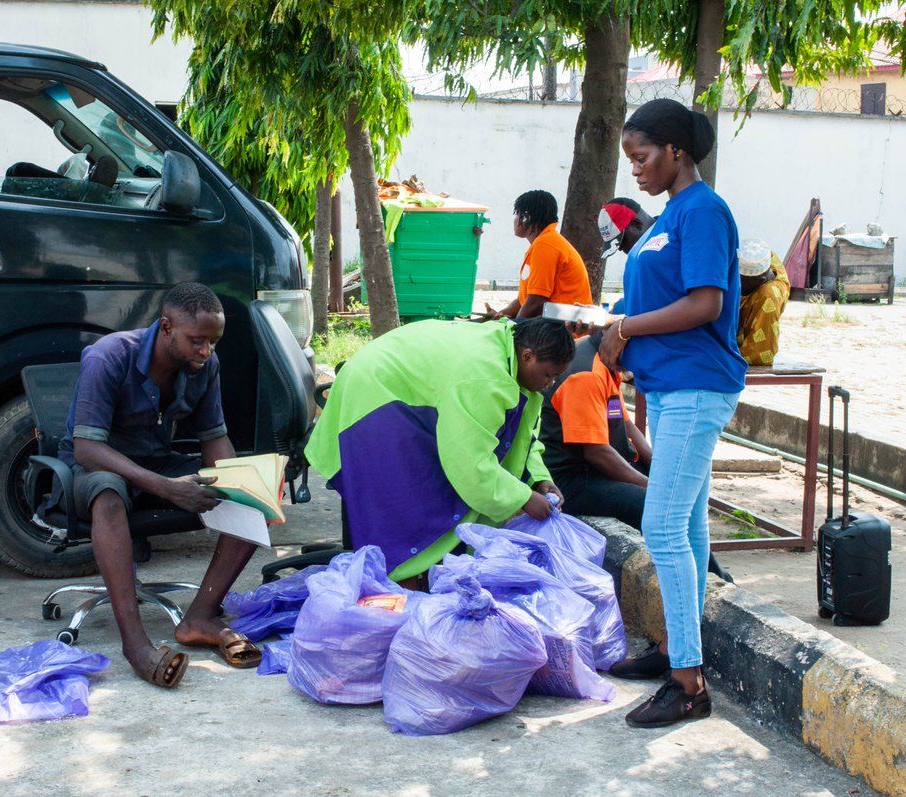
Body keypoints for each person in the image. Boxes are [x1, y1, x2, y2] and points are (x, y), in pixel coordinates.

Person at [595, 99, 746, 728]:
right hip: (668, 387)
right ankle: (673, 646)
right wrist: (612, 322)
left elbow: (706, 302)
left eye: (642, 156)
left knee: (661, 527)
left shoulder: (704, 210)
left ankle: (689, 684)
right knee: (687, 527)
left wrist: (627, 327)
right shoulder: (670, 215)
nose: (635, 169)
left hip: (696, 386)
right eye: (630, 159)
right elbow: (659, 294)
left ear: (676, 150)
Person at [60, 282, 262, 687]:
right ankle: (136, 646)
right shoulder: (109, 356)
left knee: (252, 498)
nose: (206, 351)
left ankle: (200, 617)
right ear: (167, 327)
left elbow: (214, 438)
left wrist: (240, 484)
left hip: (156, 463)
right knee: (108, 496)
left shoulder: (205, 365)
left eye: (213, 343)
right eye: (197, 341)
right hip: (95, 469)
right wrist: (167, 487)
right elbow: (87, 449)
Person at [304, 317, 575, 584]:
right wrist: (522, 498)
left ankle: (405, 570)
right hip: (374, 394)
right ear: (527, 356)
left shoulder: (509, 348)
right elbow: (469, 463)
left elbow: (522, 436)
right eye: (548, 375)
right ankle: (396, 578)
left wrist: (539, 478)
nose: (550, 383)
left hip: (394, 382)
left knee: (436, 490)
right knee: (406, 499)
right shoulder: (484, 377)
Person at [538, 330, 733, 582]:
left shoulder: (606, 362)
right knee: (658, 505)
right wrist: (651, 485)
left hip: (601, 466)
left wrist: (660, 468)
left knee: (678, 495)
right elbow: (597, 453)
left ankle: (714, 576)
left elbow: (626, 424)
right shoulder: (586, 375)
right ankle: (714, 580)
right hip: (575, 479)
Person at [485, 190, 591, 319]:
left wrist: (512, 326)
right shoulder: (545, 242)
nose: (515, 220)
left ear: (525, 218)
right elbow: (523, 301)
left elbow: (536, 302)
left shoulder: (545, 245)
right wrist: (499, 315)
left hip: (562, 328)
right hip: (554, 323)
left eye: (516, 214)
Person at [736, 239, 790, 366]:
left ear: (760, 280)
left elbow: (761, 354)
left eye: (740, 280)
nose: (735, 283)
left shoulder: (769, 297)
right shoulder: (752, 257)